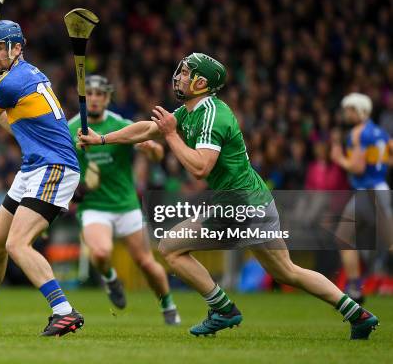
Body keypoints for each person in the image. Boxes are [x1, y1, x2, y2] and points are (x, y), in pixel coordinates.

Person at [79, 52, 379, 340]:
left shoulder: (212, 116)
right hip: (251, 199)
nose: (179, 76)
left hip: (238, 203)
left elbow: (200, 167)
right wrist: (103, 138)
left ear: (200, 83)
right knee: (288, 271)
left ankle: (222, 308)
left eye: (186, 73)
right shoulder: (192, 111)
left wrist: (171, 135)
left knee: (170, 247)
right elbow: (148, 128)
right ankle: (358, 314)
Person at [0, 20, 83, 337]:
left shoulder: (11, 82)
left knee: (17, 244)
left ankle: (64, 311)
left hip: (54, 168)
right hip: (34, 167)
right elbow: (12, 125)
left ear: (17, 48)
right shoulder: (19, 78)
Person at [68, 74, 180, 325]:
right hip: (94, 205)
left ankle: (168, 305)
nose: (95, 99)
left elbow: (158, 154)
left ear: (107, 98)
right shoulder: (69, 128)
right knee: (100, 252)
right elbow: (61, 167)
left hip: (125, 204)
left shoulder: (121, 124)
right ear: (83, 98)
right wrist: (78, 188)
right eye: (91, 94)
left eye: (100, 94)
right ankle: (110, 278)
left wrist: (152, 149)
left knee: (146, 262)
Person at [330, 93, 391, 304]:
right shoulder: (381, 133)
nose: (346, 114)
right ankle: (355, 286)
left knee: (344, 236)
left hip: (367, 190)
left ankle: (355, 286)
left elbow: (357, 166)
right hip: (380, 187)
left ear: (359, 111)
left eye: (349, 110)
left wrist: (339, 159)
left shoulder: (357, 133)